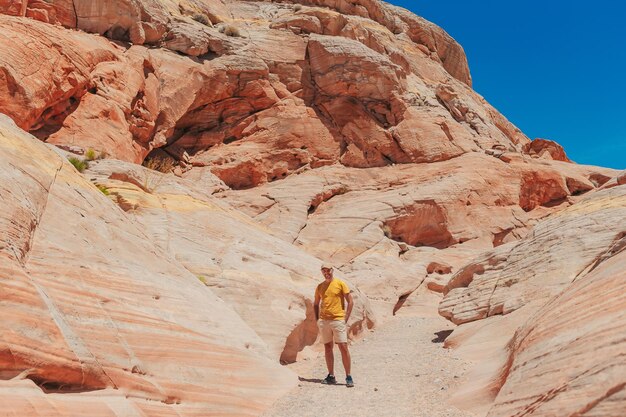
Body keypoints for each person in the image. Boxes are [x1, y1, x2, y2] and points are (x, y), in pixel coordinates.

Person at [314, 263, 354, 387]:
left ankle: (348, 376)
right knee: (327, 347)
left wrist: (345, 318)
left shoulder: (340, 284)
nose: (326, 272)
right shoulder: (320, 287)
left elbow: (350, 301)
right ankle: (331, 375)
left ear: (332, 270)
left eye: (328, 270)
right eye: (323, 271)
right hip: (324, 321)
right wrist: (317, 320)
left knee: (343, 346)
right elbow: (315, 304)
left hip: (338, 320)